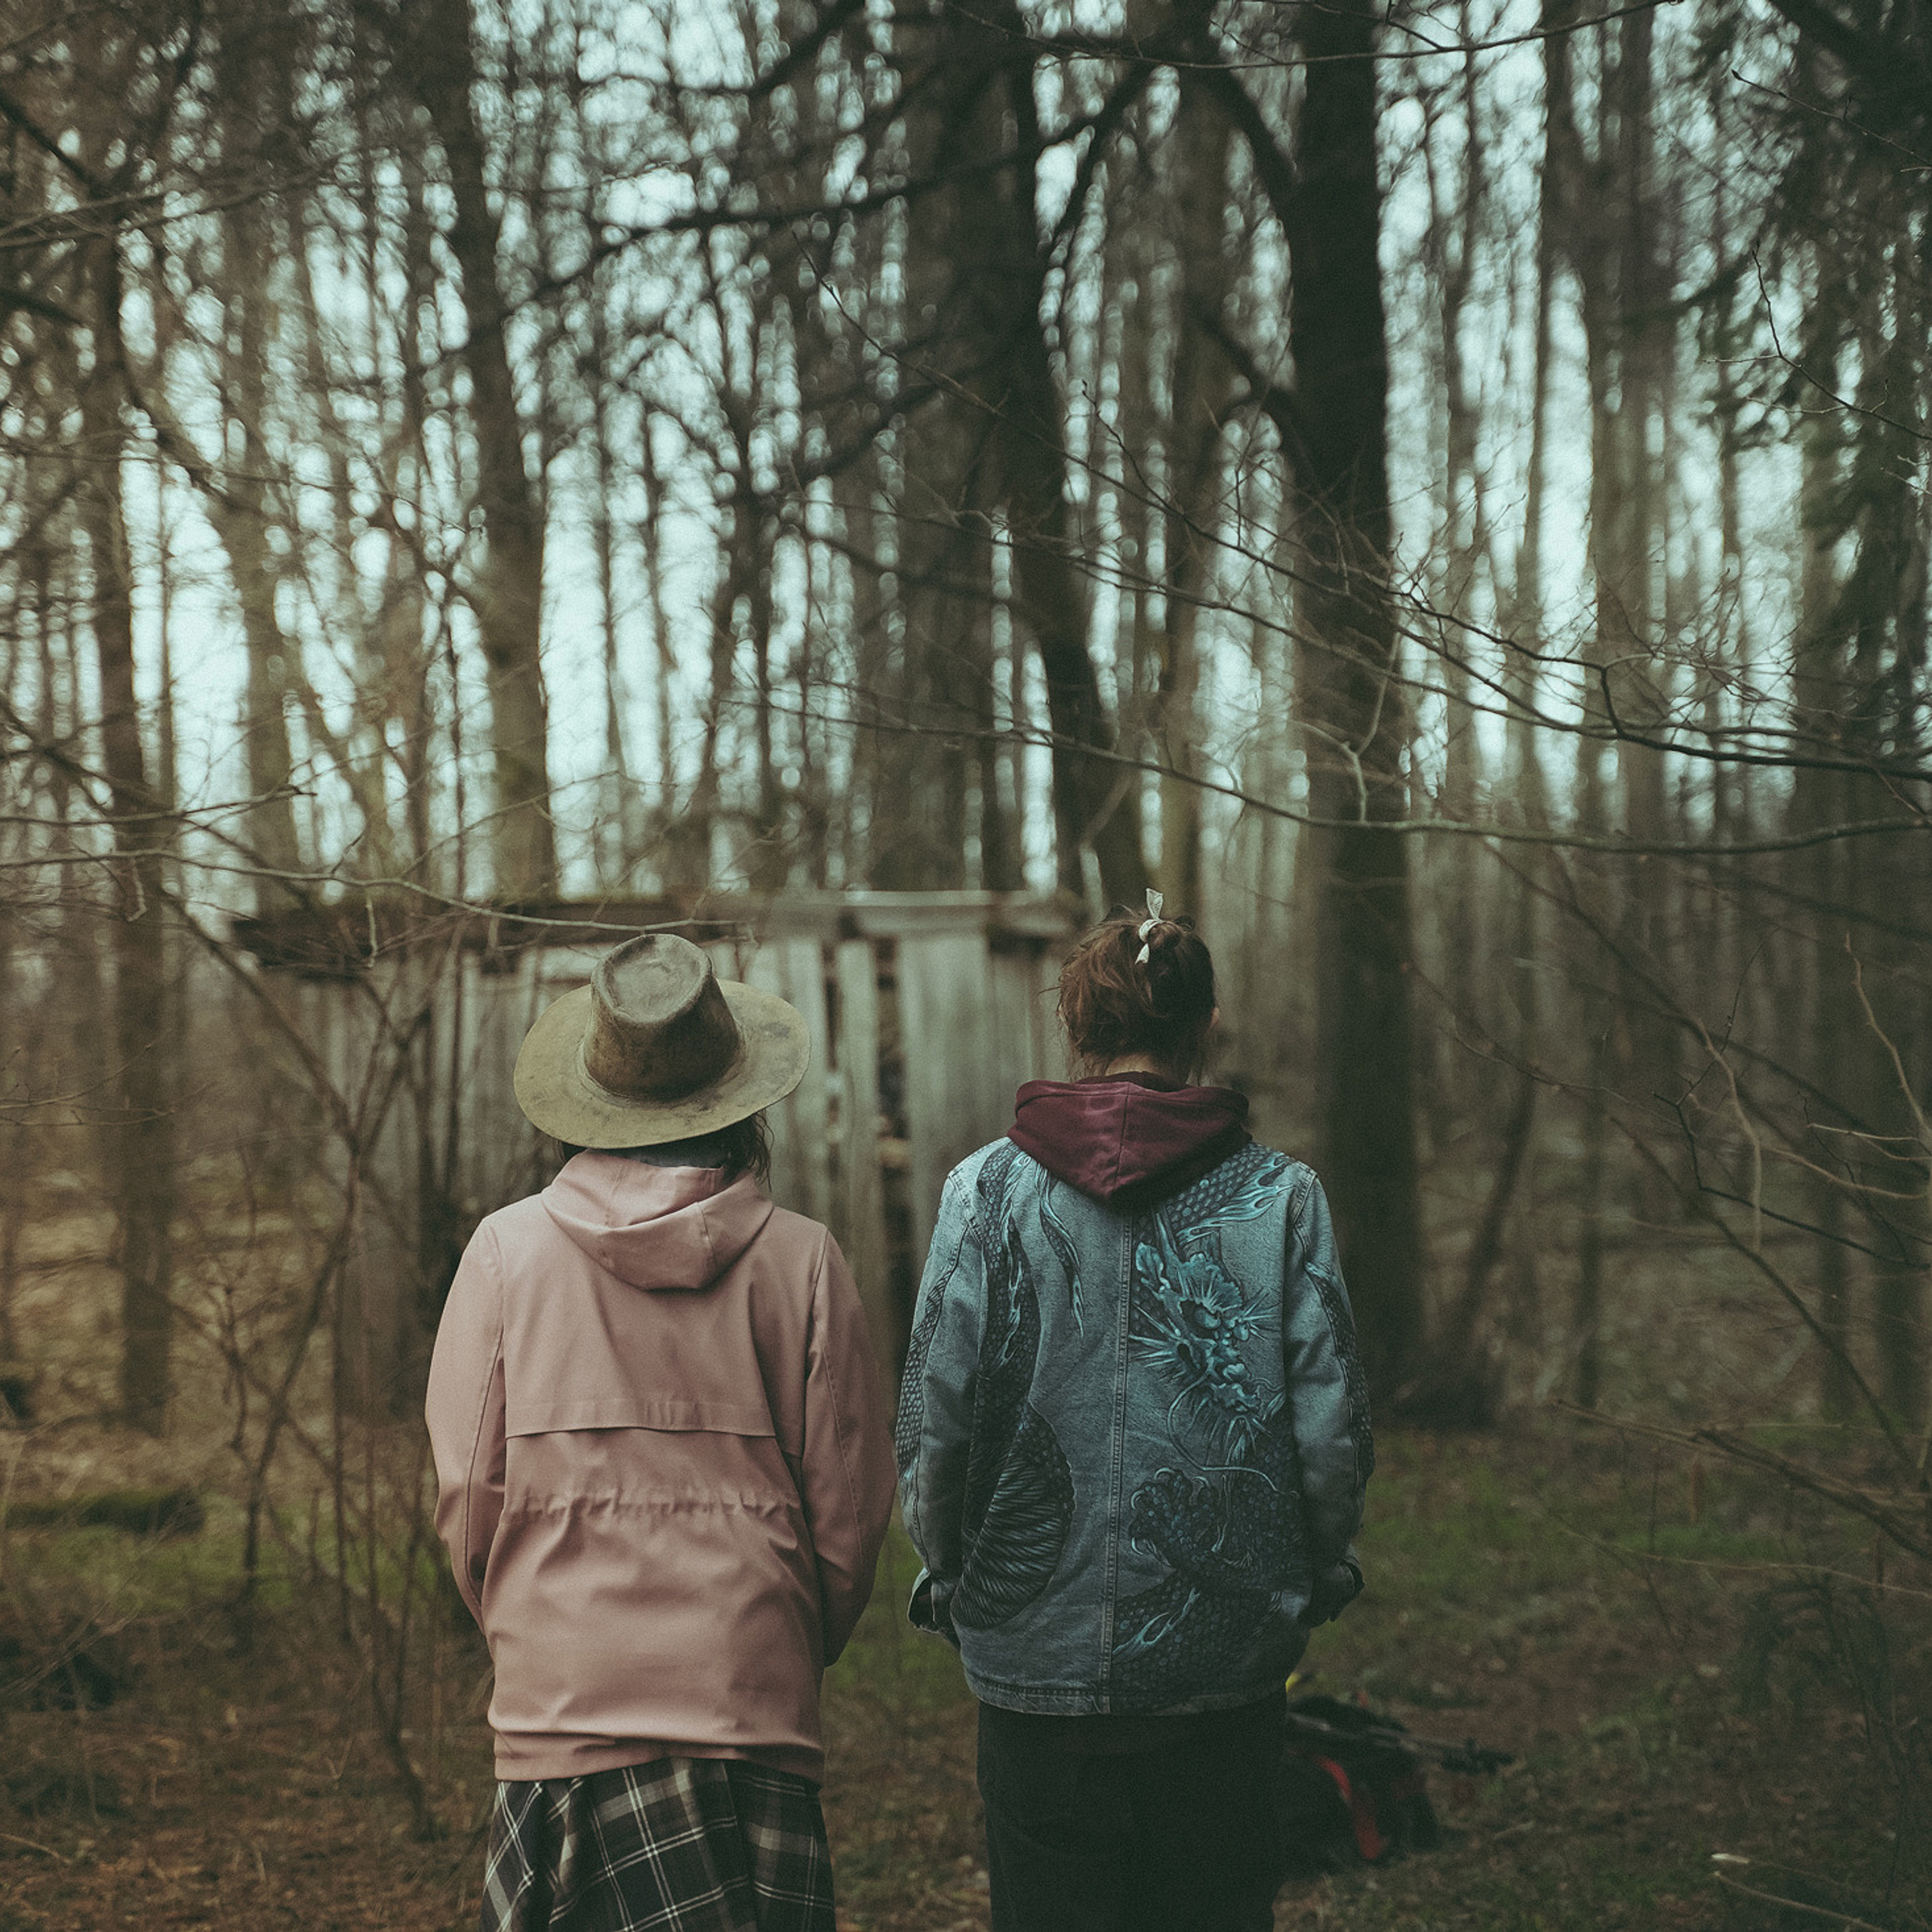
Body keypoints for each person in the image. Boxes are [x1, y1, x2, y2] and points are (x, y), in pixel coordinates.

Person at [896, 897, 1374, 1932]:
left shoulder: (981, 1194)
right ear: (1201, 1030)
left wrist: (951, 1573)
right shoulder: (1281, 1197)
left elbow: (937, 1417)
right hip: (1224, 1663)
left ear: (1079, 1032)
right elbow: (1330, 1425)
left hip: (1033, 1662)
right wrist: (1319, 1572)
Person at [427, 932, 896, 1932]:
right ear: (741, 1101)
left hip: (562, 1702)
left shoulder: (505, 1256)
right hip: (748, 1704)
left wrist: (529, 1627)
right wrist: (786, 1642)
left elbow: (468, 1498)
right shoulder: (805, 1264)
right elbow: (851, 1522)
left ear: (591, 1099)